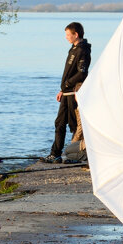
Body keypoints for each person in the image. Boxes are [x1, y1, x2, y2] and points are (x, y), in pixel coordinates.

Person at [45, 22, 90, 164]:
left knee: (74, 125)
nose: (66, 37)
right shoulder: (73, 49)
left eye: (68, 34)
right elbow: (69, 72)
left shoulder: (83, 50)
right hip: (65, 93)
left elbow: (82, 73)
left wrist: (67, 85)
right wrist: (61, 90)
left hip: (73, 94)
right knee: (59, 123)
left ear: (76, 34)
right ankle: (55, 154)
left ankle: (77, 154)